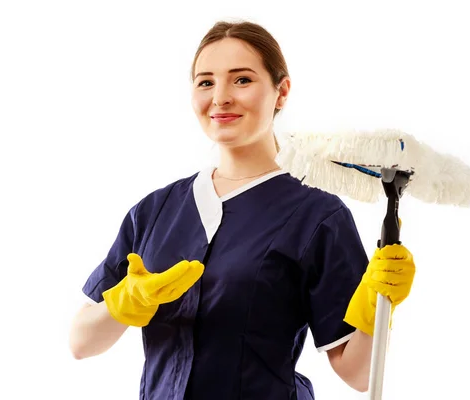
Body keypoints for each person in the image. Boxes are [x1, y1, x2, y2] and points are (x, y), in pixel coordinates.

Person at [68, 20, 416, 399]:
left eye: (242, 80)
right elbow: (81, 343)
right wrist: (123, 303)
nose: (220, 98)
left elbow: (359, 374)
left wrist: (375, 306)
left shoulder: (317, 216)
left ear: (281, 92)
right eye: (206, 82)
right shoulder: (154, 211)